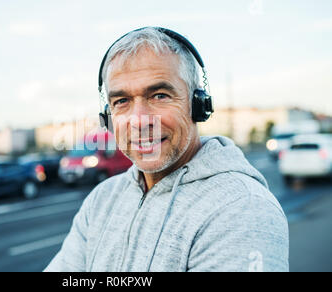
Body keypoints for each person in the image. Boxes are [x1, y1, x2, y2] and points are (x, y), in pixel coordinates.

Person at [44, 27, 289, 272]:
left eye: (159, 95)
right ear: (108, 116)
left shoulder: (242, 208)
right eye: (121, 102)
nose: (139, 121)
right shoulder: (101, 201)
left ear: (198, 105)